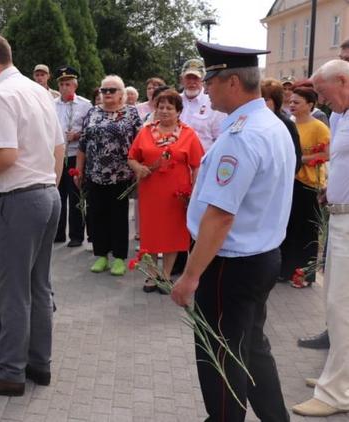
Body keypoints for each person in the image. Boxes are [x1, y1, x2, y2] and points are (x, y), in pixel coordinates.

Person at [170, 41, 293, 422]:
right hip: (261, 257)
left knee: (220, 354)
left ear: (233, 82)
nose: (206, 88)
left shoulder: (243, 137)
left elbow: (220, 216)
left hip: (230, 265)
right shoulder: (269, 124)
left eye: (211, 80)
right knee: (252, 348)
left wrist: (190, 276)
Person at [0, 32, 64, 397]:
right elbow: (59, 147)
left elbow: (5, 156)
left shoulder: (1, 95)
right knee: (39, 285)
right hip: (48, 195)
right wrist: (49, 183)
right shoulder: (38, 91)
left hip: (20, 200)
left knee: (13, 290)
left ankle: (10, 372)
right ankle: (39, 364)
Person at [292, 59, 349, 417]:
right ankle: (338, 375)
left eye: (324, 93)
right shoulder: (343, 115)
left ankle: (336, 393)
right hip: (340, 216)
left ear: (343, 80)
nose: (322, 101)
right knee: (336, 304)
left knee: (340, 307)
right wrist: (332, 189)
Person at [128, 90, 204, 292]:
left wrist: (194, 192)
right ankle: (152, 275)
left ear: (179, 111)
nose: (164, 111)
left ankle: (166, 276)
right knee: (151, 234)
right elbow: (131, 157)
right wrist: (138, 168)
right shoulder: (145, 131)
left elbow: (197, 165)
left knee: (172, 235)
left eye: (169, 107)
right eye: (161, 107)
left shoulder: (189, 134)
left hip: (176, 194)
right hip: (151, 191)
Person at [75, 75, 142, 276]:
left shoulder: (131, 114)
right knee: (97, 215)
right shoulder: (93, 113)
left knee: (119, 216)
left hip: (121, 175)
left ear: (121, 93)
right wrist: (78, 170)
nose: (107, 94)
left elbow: (140, 143)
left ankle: (120, 258)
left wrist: (139, 168)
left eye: (112, 90)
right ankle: (102, 255)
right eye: (104, 90)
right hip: (95, 174)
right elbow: (82, 144)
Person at [280, 82, 330, 288]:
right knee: (288, 228)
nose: (292, 105)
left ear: (310, 105)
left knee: (306, 231)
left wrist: (301, 159)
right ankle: (284, 271)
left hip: (308, 184)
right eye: (291, 101)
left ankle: (304, 274)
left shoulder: (319, 127)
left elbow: (326, 154)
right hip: (289, 182)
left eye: (297, 102)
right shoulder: (288, 124)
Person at [53, 65, 93, 247]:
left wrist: (77, 135)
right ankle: (57, 232)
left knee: (76, 196)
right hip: (57, 155)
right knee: (57, 195)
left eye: (68, 84)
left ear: (75, 86)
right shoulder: (52, 105)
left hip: (75, 155)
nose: (64, 88)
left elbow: (91, 131)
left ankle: (76, 235)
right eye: (61, 84)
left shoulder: (85, 105)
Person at [179, 59, 226, 151]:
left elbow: (220, 139)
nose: (192, 82)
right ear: (182, 79)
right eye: (188, 77)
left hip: (202, 162)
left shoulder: (213, 103)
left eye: (196, 78)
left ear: (203, 80)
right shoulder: (173, 101)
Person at [260, 78, 303, 174]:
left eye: (266, 100)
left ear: (276, 101)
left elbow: (296, 160)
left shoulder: (286, 124)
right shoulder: (254, 122)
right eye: (259, 99)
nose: (261, 103)